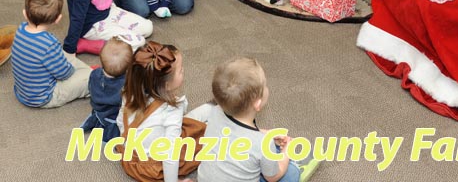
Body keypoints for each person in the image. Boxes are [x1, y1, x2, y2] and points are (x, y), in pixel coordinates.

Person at [188, 57, 320, 182]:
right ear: (257, 103)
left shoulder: (215, 113)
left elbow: (236, 133)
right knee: (291, 173)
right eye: (265, 86)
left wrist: (266, 133)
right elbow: (272, 178)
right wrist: (287, 151)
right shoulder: (263, 144)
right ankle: (292, 162)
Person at [116, 41, 206, 182]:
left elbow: (121, 121)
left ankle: (210, 109)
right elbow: (170, 154)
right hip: (152, 168)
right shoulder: (171, 110)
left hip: (129, 158)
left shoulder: (129, 92)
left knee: (182, 124)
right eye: (181, 70)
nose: (184, 71)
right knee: (205, 138)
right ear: (167, 85)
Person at [11, 0, 91, 108]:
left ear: (25, 14)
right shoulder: (49, 44)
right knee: (90, 79)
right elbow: (64, 74)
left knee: (63, 56)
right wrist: (71, 70)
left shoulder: (21, 29)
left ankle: (88, 72)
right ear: (58, 19)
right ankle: (94, 80)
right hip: (44, 97)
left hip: (24, 91)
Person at [81, 37, 133, 142]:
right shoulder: (127, 84)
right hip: (114, 115)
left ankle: (95, 121)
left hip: (99, 109)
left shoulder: (94, 74)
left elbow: (91, 88)